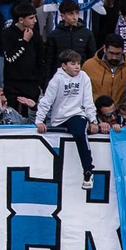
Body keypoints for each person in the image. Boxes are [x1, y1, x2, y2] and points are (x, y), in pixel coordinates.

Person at [36, 48, 101, 190]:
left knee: (79, 132)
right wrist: (39, 120)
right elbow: (47, 101)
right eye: (73, 63)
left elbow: (88, 100)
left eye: (78, 63)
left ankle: (88, 170)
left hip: (77, 113)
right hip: (59, 117)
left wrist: (93, 120)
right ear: (64, 66)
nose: (77, 66)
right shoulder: (57, 79)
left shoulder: (84, 77)